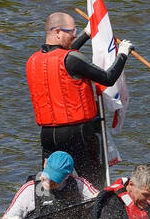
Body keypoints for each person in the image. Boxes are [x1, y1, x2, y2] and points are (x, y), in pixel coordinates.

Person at [26, 11, 132, 187]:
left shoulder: (33, 60)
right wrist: (123, 54)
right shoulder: (72, 59)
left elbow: (61, 56)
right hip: (78, 132)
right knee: (91, 178)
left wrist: (87, 34)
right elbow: (108, 78)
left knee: (49, 179)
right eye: (72, 31)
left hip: (48, 135)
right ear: (57, 32)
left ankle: (44, 205)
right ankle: (96, 207)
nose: (75, 34)